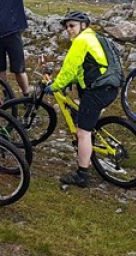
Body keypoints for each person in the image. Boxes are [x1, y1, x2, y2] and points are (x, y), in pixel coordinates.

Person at [46, 11, 118, 188]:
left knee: (83, 132)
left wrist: (54, 86)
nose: (68, 30)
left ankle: (82, 174)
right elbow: (84, 66)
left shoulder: (80, 41)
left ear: (83, 25)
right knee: (86, 120)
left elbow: (70, 68)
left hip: (97, 91)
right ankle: (91, 142)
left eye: (72, 26)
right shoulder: (94, 37)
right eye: (67, 26)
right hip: (111, 86)